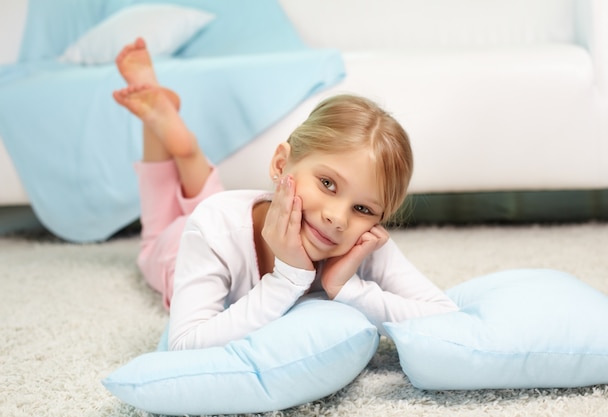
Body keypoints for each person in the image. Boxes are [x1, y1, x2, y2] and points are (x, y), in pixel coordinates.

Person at [113, 37, 458, 350]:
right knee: (160, 232)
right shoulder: (213, 229)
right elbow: (185, 344)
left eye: (364, 209)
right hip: (184, 245)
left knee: (209, 203)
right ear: (281, 163)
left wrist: (348, 289)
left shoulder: (362, 242)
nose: (337, 217)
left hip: (224, 214)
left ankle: (176, 136)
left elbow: (447, 318)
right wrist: (289, 278)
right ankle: (166, 129)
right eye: (327, 183)